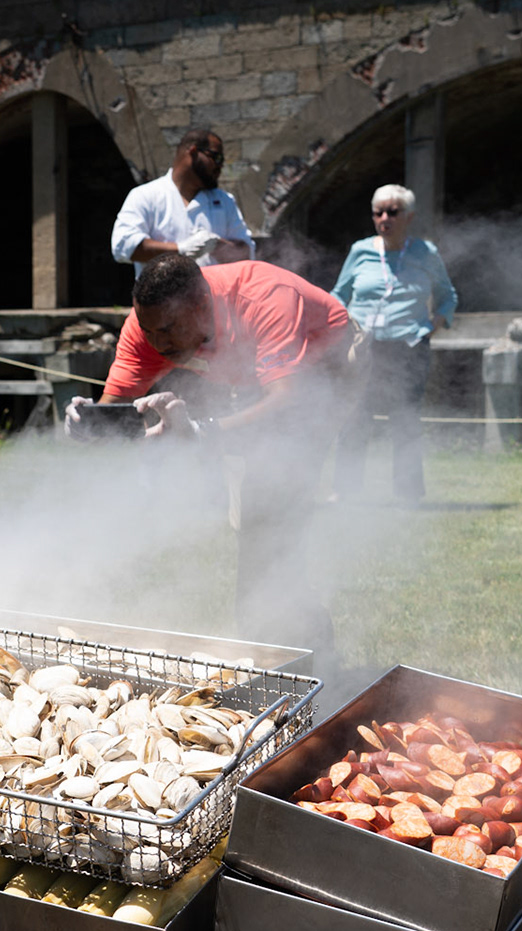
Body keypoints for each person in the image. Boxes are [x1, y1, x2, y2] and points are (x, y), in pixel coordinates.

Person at [80, 254, 352, 655]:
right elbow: (113, 407)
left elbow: (290, 404)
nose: (157, 343)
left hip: (327, 363)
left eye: (168, 330)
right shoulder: (151, 324)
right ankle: (274, 635)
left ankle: (300, 647)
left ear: (202, 306)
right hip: (262, 380)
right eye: (149, 330)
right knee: (256, 519)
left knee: (274, 505)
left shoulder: (265, 298)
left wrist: (202, 432)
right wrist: (87, 424)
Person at [330, 184, 456, 504]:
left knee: (405, 420)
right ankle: (346, 492)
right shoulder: (360, 251)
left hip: (407, 348)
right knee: (355, 417)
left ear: (409, 217)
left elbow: (447, 296)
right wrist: (339, 332)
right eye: (378, 212)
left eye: (393, 212)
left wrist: (431, 328)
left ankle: (408, 494)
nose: (385, 218)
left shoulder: (425, 253)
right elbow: (337, 296)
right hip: (365, 348)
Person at [110, 127, 255, 279]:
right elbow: (123, 246)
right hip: (162, 300)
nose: (220, 166)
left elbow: (247, 252)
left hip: (214, 299)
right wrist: (180, 250)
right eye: (216, 158)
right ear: (193, 151)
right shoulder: (145, 195)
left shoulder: (225, 201)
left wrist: (217, 245)